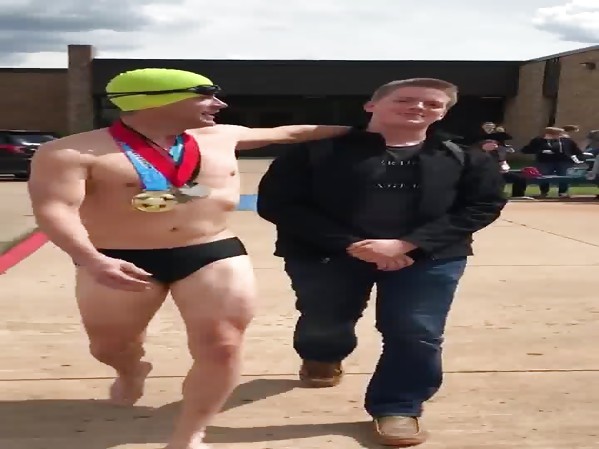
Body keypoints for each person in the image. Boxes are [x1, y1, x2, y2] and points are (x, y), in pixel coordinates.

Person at [27, 68, 350, 449]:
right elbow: (56, 210)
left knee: (223, 345)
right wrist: (93, 260)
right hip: (118, 259)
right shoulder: (70, 152)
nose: (219, 104)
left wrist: (378, 127)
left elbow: (295, 133)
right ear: (157, 100)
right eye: (205, 95)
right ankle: (131, 369)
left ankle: (190, 435)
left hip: (210, 250)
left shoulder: (224, 136)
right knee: (109, 347)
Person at [256, 78, 507, 447]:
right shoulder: (315, 152)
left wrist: (408, 244)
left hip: (428, 257)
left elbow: (483, 205)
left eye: (432, 104)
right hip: (327, 253)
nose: (419, 108)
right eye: (406, 100)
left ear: (443, 113)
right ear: (371, 105)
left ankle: (398, 406)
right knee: (326, 320)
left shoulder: (464, 156)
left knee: (416, 330)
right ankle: (323, 354)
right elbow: (278, 204)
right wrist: (352, 244)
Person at [520, 127, 585, 198]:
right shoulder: (538, 140)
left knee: (564, 176)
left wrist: (579, 158)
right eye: (558, 134)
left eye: (560, 134)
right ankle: (544, 192)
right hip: (545, 161)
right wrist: (540, 150)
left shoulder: (566, 140)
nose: (561, 135)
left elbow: (576, 151)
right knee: (544, 176)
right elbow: (526, 150)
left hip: (563, 161)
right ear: (549, 134)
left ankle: (562, 192)